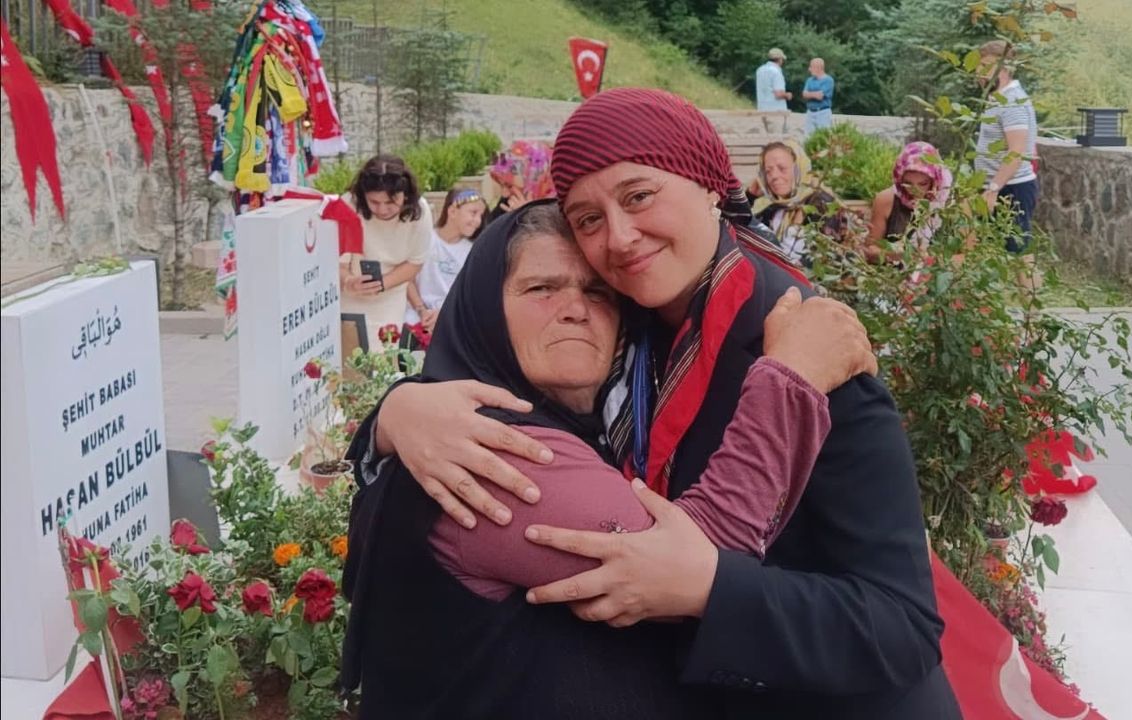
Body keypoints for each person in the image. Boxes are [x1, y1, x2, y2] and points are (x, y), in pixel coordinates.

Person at [352, 88, 960, 719]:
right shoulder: (632, 335)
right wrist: (395, 414)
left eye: (639, 196)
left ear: (710, 186)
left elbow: (901, 625)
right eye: (588, 219)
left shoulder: (808, 351)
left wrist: (713, 589)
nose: (619, 238)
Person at [343, 200, 871, 716]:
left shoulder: (583, 422)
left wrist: (390, 412)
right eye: (541, 288)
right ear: (483, 310)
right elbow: (698, 559)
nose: (575, 308)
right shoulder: (496, 452)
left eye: (597, 291)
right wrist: (793, 378)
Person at [339, 154, 430, 346]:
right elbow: (337, 262)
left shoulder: (419, 212)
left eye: (390, 202)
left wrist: (380, 285)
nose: (382, 210)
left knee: (385, 352)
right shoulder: (347, 205)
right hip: (348, 295)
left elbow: (415, 263)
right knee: (351, 352)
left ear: (405, 195)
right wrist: (349, 281)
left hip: (391, 296)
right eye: (374, 202)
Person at [975, 40, 1039, 253]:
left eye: (985, 66)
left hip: (1011, 189)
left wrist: (994, 188)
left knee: (1015, 254)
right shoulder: (998, 99)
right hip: (996, 187)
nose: (978, 73)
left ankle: (1027, 279)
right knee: (992, 252)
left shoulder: (1012, 102)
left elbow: (1016, 151)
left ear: (1005, 68)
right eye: (978, 66)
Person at [405, 187, 485, 337]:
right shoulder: (425, 239)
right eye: (473, 213)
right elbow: (407, 278)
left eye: (481, 215)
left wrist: (444, 315)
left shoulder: (473, 252)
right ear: (452, 211)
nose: (478, 221)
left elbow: (471, 295)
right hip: (417, 316)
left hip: (453, 321)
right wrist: (422, 310)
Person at [751, 139, 844, 266]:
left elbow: (823, 258)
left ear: (799, 168)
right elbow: (740, 230)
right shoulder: (774, 209)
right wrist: (750, 196)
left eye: (782, 168)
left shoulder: (822, 205)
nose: (774, 176)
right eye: (768, 171)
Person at [868, 141, 954, 257]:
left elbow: (966, 255)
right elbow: (870, 249)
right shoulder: (886, 200)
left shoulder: (950, 203)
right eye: (908, 183)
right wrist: (899, 256)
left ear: (934, 180)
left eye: (923, 184)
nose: (915, 190)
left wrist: (931, 260)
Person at [488, 140, 555, 221]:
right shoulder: (508, 201)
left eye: (509, 186)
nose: (504, 194)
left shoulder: (559, 208)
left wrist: (527, 214)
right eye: (501, 186)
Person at [754, 48, 791, 133]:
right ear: (780, 59)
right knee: (777, 138)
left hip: (762, 109)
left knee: (768, 138)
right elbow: (778, 94)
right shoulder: (776, 72)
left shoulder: (760, 70)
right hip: (776, 111)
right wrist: (787, 95)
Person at [801, 57, 834, 136]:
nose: (809, 69)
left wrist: (809, 94)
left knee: (823, 136)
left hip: (823, 112)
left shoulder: (828, 80)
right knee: (808, 137)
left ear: (818, 68)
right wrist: (814, 94)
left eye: (811, 67)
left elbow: (820, 96)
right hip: (810, 112)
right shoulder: (809, 80)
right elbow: (804, 94)